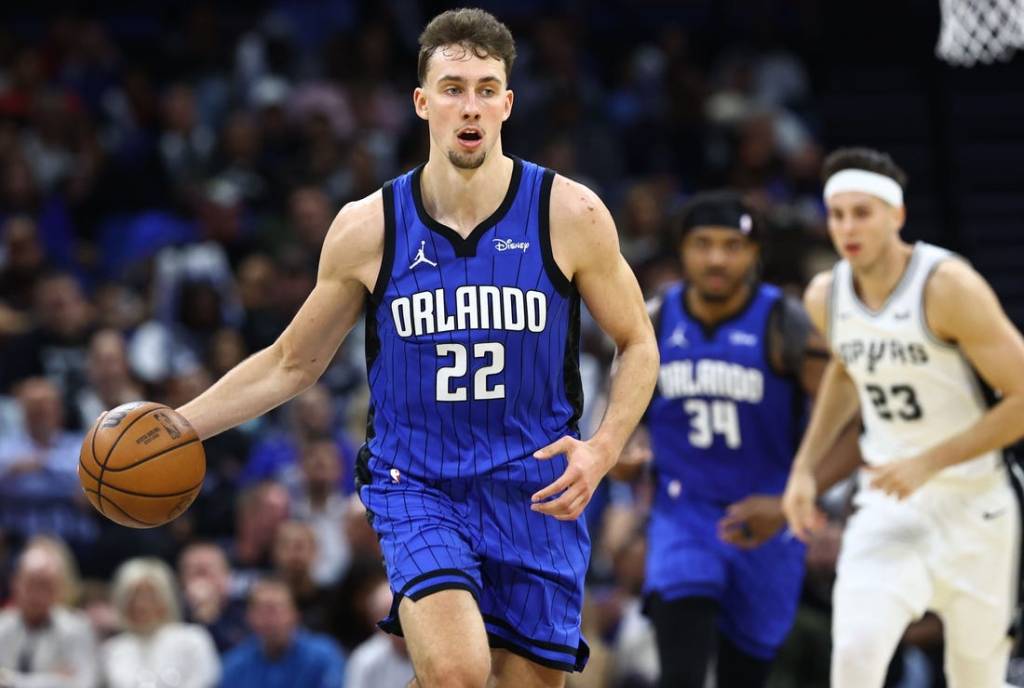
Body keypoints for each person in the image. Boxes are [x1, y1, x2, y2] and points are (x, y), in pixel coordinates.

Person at [176, 8, 658, 687]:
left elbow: (638, 342)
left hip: (535, 486)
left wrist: (604, 448)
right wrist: (181, 426)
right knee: (458, 672)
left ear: (508, 104)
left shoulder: (569, 213)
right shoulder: (368, 227)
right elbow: (292, 362)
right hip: (418, 484)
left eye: (487, 89)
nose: (471, 106)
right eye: (454, 87)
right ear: (422, 101)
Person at [782, 147, 1024, 688]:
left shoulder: (947, 286)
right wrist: (805, 468)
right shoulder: (827, 294)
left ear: (897, 215)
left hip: (976, 505)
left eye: (862, 212)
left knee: (975, 677)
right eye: (837, 213)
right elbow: (847, 371)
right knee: (856, 658)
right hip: (888, 504)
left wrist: (929, 462)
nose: (847, 227)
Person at [613, 191, 859, 687]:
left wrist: (792, 499)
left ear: (754, 253)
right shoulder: (654, 322)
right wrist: (620, 450)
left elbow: (853, 431)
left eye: (732, 245)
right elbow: (616, 416)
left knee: (743, 675)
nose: (717, 258)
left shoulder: (785, 325)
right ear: (681, 250)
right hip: (684, 516)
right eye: (703, 244)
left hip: (766, 522)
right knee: (679, 671)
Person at [101, 558, 220, 688]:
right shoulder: (112, 649)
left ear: (166, 597)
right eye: (132, 597)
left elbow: (206, 680)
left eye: (149, 596)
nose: (140, 605)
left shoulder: (192, 638)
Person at [0, 538, 99, 688]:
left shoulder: (77, 628)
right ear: (16, 582)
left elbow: (82, 684)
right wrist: (54, 680)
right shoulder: (2, 626)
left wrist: (11, 680)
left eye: (46, 585)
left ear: (60, 588)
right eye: (32, 584)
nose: (38, 595)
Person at [219, 578, 346, 688]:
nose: (269, 619)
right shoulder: (235, 664)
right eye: (262, 610)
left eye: (276, 610)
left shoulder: (324, 656)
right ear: (249, 617)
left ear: (295, 614)